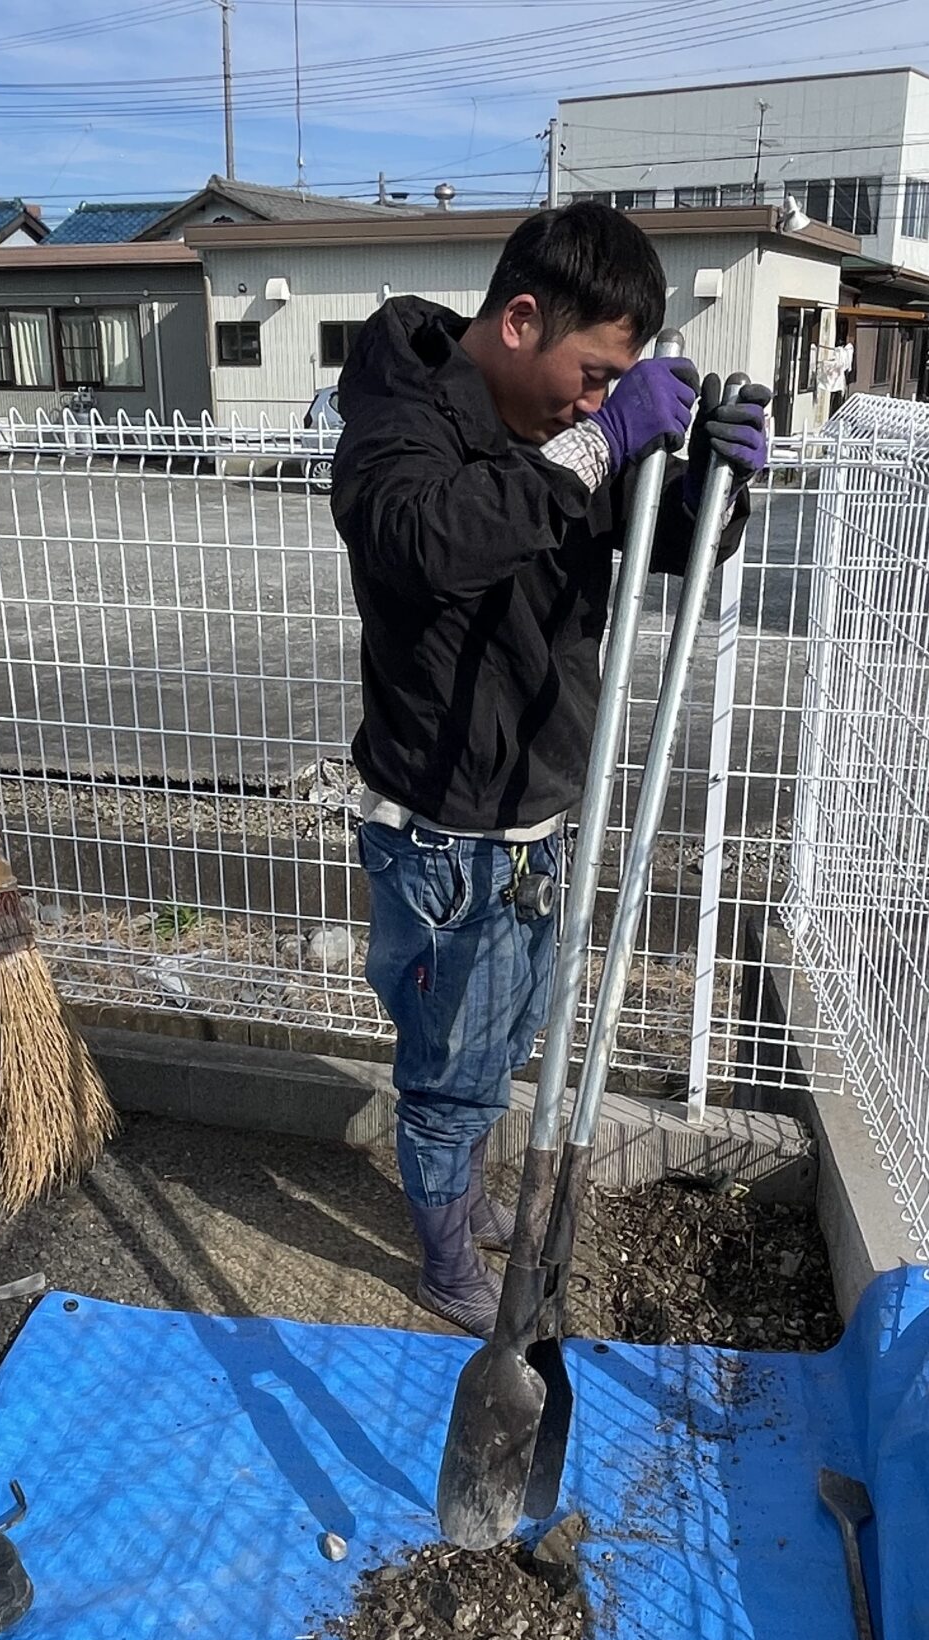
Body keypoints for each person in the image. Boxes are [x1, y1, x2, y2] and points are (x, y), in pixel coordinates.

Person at [329, 203, 771, 1335]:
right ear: (520, 319)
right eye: (589, 373)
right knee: (451, 1080)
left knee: (498, 1046)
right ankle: (443, 1261)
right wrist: (596, 439)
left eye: (609, 385)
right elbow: (424, 545)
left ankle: (462, 1203)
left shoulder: (561, 428)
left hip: (537, 817)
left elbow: (660, 542)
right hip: (441, 835)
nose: (593, 399)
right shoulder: (402, 409)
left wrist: (715, 491)